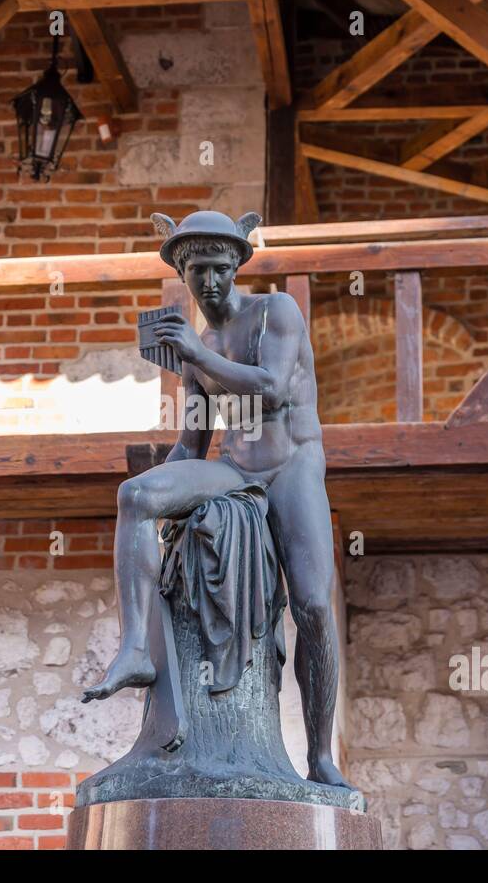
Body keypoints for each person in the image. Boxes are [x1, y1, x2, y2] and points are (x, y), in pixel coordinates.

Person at [81, 209, 350, 790]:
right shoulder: (197, 345)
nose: (209, 282)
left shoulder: (274, 311)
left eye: (220, 269)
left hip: (293, 468)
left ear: (237, 267)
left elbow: (271, 388)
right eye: (198, 269)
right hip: (236, 467)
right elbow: (192, 440)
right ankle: (134, 649)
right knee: (135, 495)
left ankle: (321, 754)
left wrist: (195, 358)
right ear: (183, 272)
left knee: (312, 604)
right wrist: (167, 495)